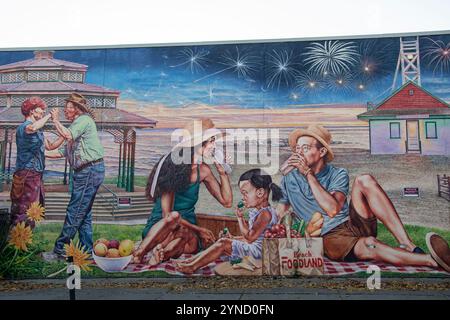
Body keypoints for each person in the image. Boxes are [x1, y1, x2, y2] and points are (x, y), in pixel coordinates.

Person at [277, 124, 450, 272]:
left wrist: (308, 174)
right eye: (297, 149)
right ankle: (430, 260)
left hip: (352, 222)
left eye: (305, 148)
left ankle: (407, 244)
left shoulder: (338, 173)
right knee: (370, 244)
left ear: (322, 151)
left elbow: (333, 208)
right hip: (330, 237)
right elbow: (281, 212)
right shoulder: (288, 179)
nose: (299, 153)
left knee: (364, 180)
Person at [132, 118, 233, 265]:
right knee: (174, 218)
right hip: (162, 228)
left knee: (184, 237)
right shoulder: (172, 167)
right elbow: (167, 215)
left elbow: (227, 201)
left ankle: (163, 253)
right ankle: (141, 252)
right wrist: (199, 229)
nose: (214, 146)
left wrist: (223, 174)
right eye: (211, 141)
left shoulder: (203, 170)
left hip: (187, 231)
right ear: (197, 144)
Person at [176, 169, 281, 274]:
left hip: (259, 252)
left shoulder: (265, 214)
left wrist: (239, 218)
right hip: (257, 248)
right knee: (223, 242)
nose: (243, 198)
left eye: (245, 193)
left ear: (260, 192)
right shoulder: (261, 211)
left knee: (223, 243)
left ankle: (192, 267)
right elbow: (255, 238)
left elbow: (250, 238)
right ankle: (193, 260)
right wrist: (234, 238)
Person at [43, 93, 105, 261]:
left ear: (77, 109)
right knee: (83, 212)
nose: (65, 110)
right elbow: (61, 152)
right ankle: (87, 251)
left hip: (89, 170)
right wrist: (40, 152)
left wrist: (55, 120)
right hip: (87, 171)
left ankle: (59, 250)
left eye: (68, 107)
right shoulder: (76, 126)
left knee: (75, 210)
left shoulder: (83, 120)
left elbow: (68, 135)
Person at [10, 97, 64, 226]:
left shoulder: (39, 131)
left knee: (33, 210)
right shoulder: (25, 127)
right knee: (23, 209)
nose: (43, 112)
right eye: (41, 110)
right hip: (26, 174)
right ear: (32, 111)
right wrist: (50, 116)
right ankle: (16, 240)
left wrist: (64, 136)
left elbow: (50, 148)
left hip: (35, 174)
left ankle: (26, 239)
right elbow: (32, 127)